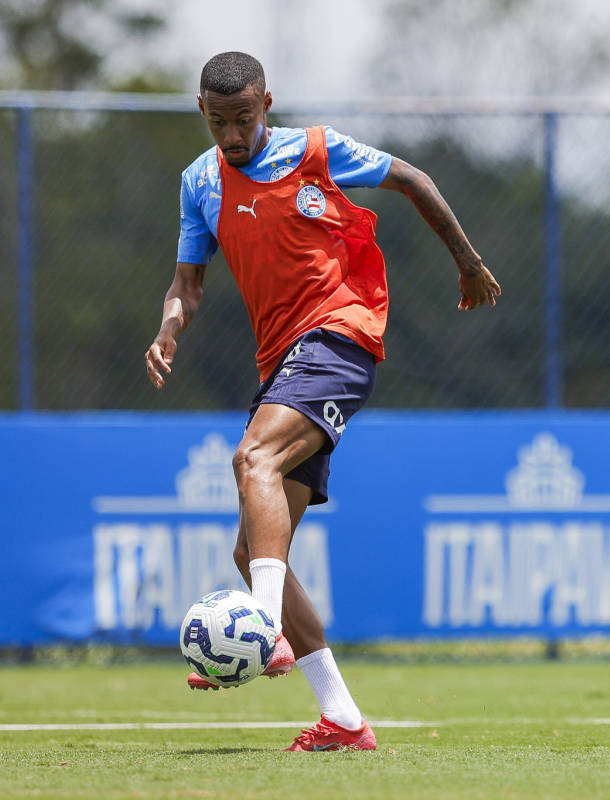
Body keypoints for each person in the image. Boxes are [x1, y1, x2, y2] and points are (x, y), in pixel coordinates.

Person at [144, 51, 500, 752]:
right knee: (253, 549)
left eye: (244, 119)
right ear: (202, 113)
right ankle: (342, 717)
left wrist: (468, 259)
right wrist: (168, 326)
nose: (234, 135)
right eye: (220, 123)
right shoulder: (199, 183)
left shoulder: (317, 151)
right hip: (283, 364)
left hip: (342, 333)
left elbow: (415, 180)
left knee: (254, 459)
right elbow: (188, 285)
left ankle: (262, 627)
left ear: (267, 104)